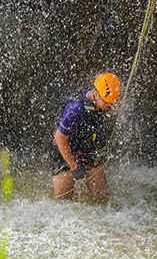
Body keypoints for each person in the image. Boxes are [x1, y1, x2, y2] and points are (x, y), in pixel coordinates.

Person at [50, 72, 121, 200]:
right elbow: (60, 137)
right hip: (65, 147)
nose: (109, 107)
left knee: (102, 196)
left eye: (112, 103)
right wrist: (74, 166)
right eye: (106, 103)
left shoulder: (101, 99)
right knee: (63, 199)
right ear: (96, 94)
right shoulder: (76, 108)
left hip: (86, 146)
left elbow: (109, 104)